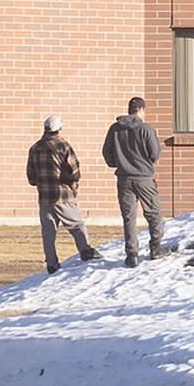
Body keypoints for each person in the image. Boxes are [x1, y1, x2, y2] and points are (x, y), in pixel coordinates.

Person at [27, 115, 102, 274]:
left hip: (44, 197)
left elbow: (31, 178)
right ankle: (86, 251)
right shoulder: (63, 146)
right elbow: (74, 171)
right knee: (76, 224)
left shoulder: (34, 148)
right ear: (59, 129)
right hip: (63, 195)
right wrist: (73, 183)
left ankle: (52, 263)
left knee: (48, 232)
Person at [102, 96, 167, 268]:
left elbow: (106, 152)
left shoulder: (115, 129)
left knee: (129, 217)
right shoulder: (146, 129)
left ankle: (132, 254)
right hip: (144, 178)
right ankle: (156, 247)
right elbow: (155, 153)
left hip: (123, 178)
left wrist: (117, 163)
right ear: (141, 110)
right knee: (153, 213)